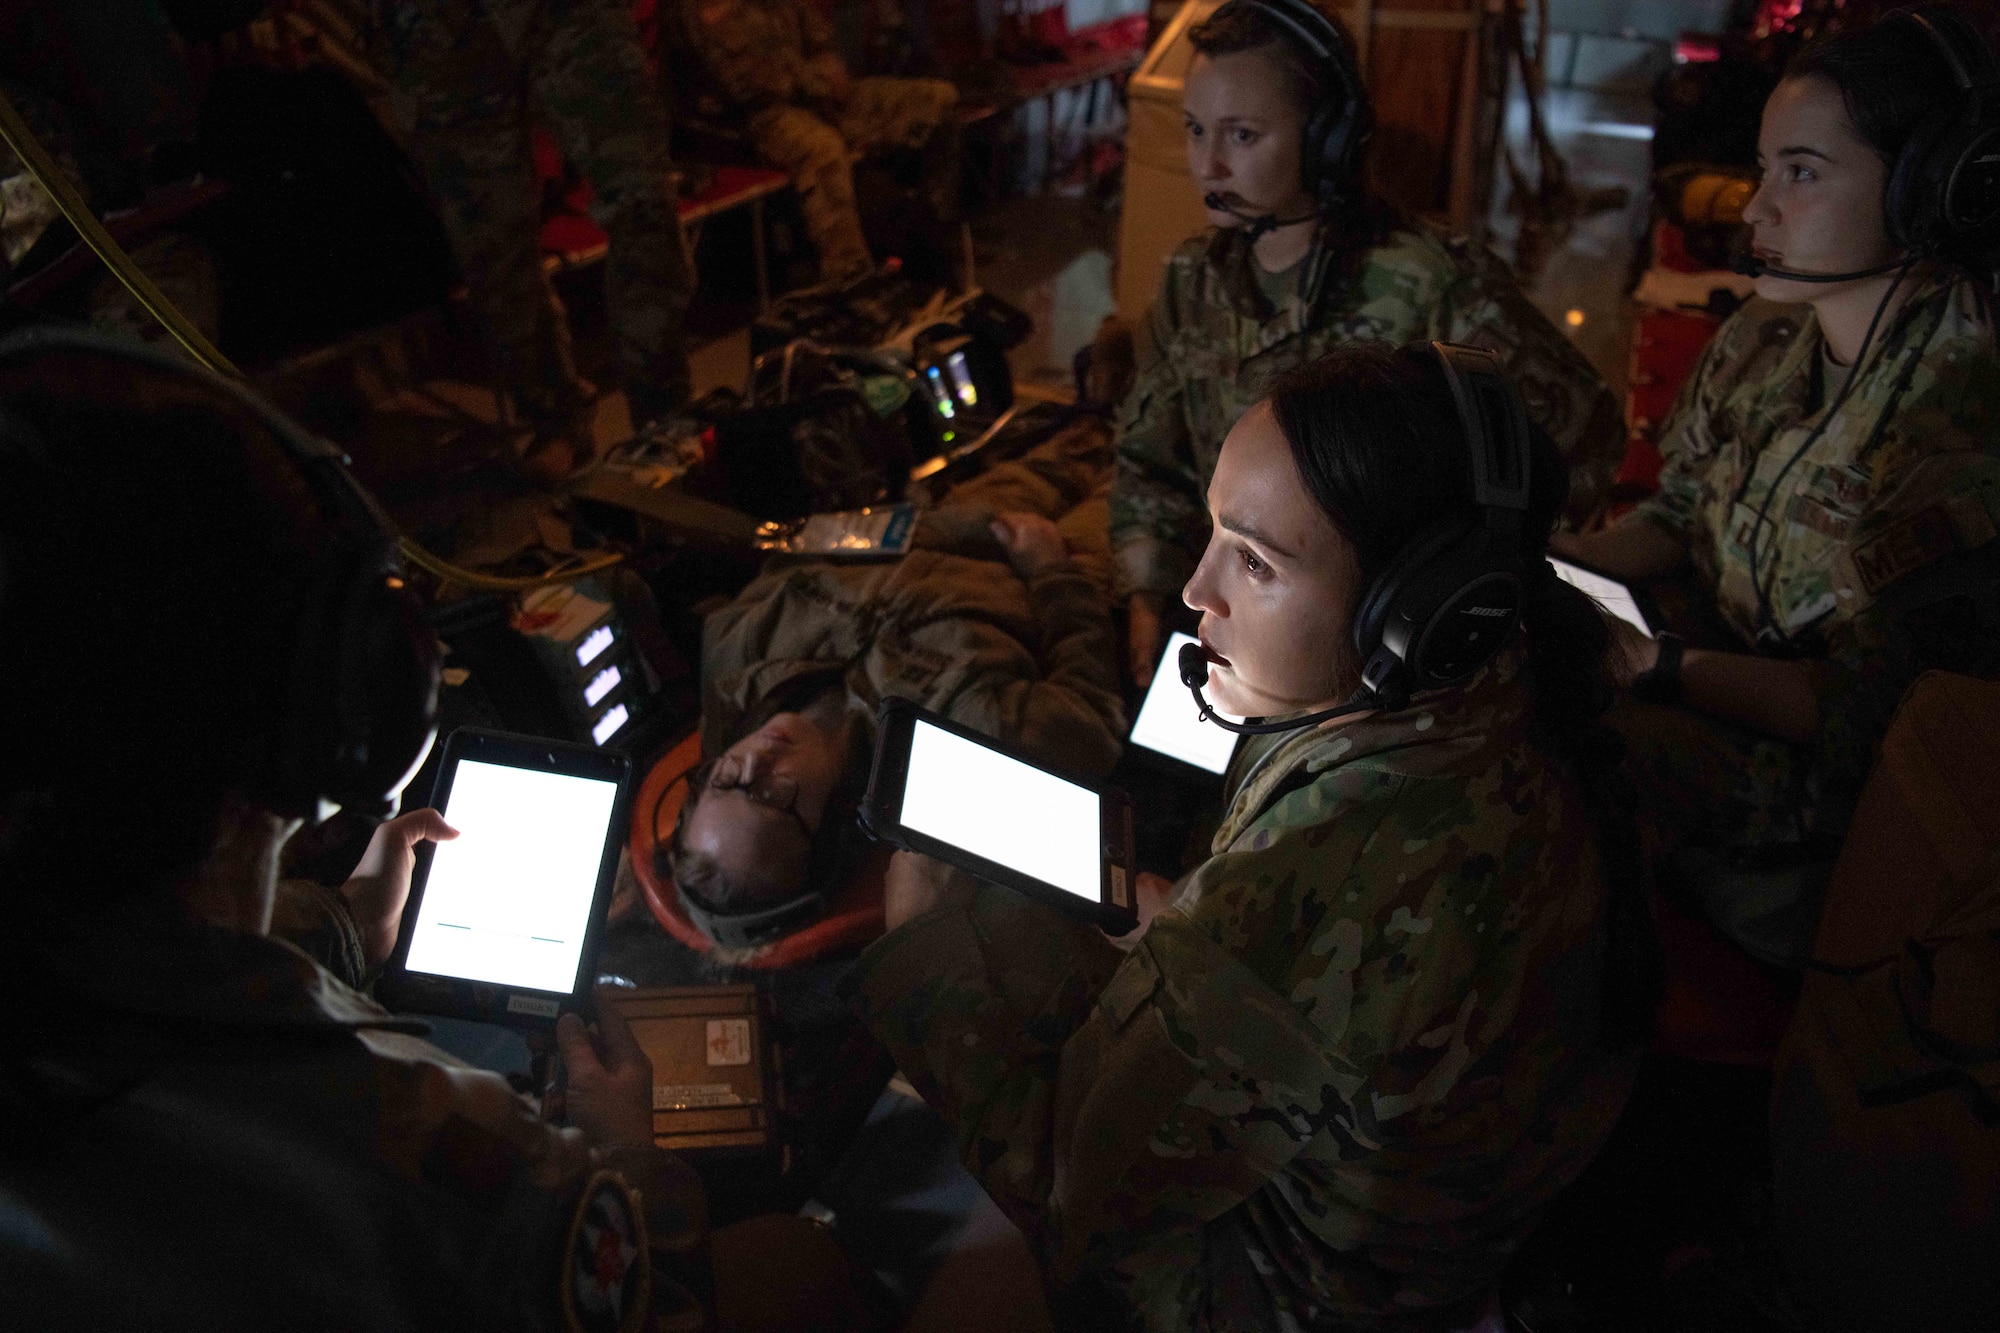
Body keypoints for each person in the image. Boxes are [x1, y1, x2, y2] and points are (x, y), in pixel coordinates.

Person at [0, 329, 866, 1330]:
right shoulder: (424, 1144)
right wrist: (630, 1156)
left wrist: (338, 927)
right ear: (350, 708)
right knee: (799, 1262)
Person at [847, 342, 1650, 1331]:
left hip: (1304, 1295)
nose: (1195, 593)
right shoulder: (1498, 674)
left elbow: (1063, 1192)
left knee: (984, 937)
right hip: (1459, 1195)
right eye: (1213, 532)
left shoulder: (1332, 859)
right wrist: (1196, 928)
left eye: (1255, 561)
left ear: (1415, 613)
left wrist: (916, 948)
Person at [1552, 6, 2000, 969]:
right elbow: (1681, 515)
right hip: (1711, 689)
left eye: (1801, 173)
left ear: (1928, 191)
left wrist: (1655, 666)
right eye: (1764, 170)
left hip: (1829, 815)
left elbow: (1859, 718)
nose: (1755, 210)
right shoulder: (1765, 337)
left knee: (1547, 744)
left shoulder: (1959, 428)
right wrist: (1558, 559)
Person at [1115, 0, 1625, 688]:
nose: (1207, 163)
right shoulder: (1191, 279)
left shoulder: (1430, 283)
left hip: (1372, 650)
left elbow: (1582, 435)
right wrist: (1146, 595)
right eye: (1196, 129)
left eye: (1241, 136)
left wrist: (1435, 585)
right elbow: (1151, 460)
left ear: (1329, 137)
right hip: (1222, 607)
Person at [669, 420, 1124, 953]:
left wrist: (955, 525)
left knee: (1094, 425)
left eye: (724, 779)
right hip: (1070, 563)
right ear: (827, 838)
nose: (754, 763)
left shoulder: (733, 655)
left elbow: (805, 551)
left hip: (960, 518)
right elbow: (1089, 715)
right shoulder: (952, 759)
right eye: (770, 796)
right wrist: (1054, 574)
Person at [360, 0, 696, 476]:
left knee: (640, 200)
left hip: (564, 15)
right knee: (491, 246)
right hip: (440, 28)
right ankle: (555, 415)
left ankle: (666, 417)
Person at [681, 0, 960, 282]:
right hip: (755, 119)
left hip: (818, 99)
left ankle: (934, 234)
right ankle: (850, 279)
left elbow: (821, 42)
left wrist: (830, 71)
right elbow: (747, 85)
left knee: (937, 100)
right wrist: (821, 83)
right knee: (823, 151)